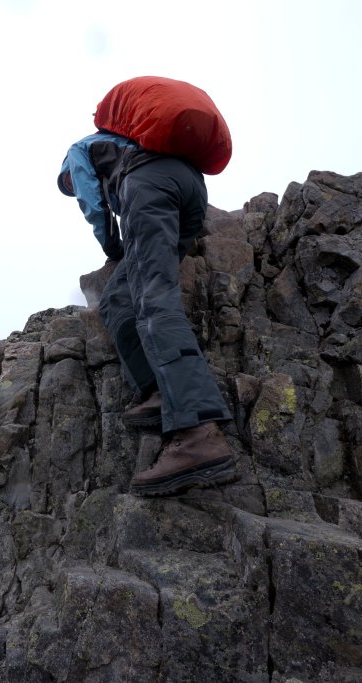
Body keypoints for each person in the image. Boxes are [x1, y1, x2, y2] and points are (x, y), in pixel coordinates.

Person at [58, 132, 236, 496]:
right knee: (117, 300)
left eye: (68, 183)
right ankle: (157, 389)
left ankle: (199, 433)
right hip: (187, 191)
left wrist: (112, 246)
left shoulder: (79, 151)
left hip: (149, 185)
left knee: (155, 299)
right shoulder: (132, 138)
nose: (72, 187)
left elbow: (93, 203)